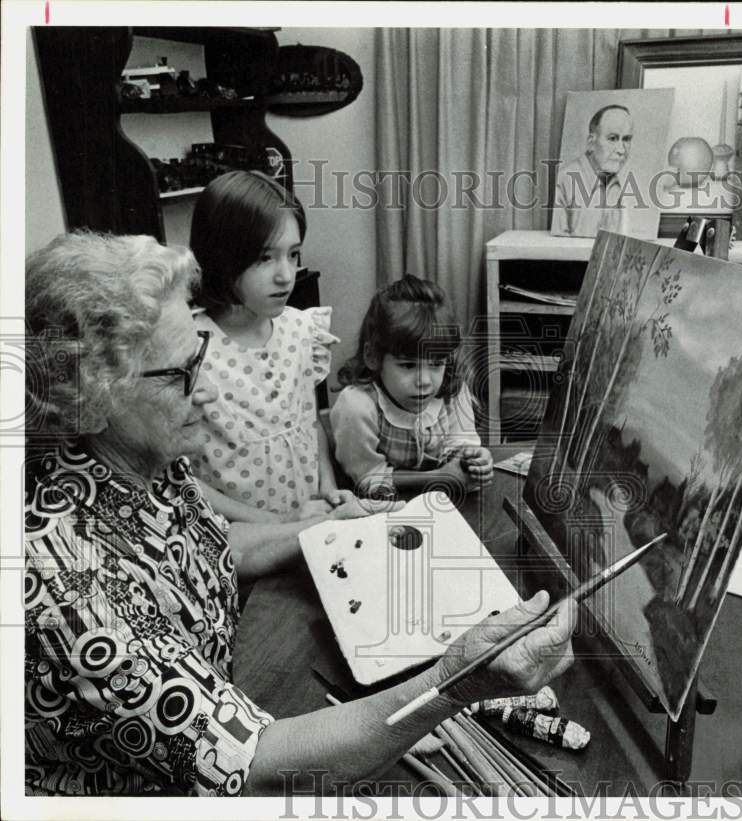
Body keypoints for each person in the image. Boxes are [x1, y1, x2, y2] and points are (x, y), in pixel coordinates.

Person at [23, 231, 577, 796]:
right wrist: (455, 681)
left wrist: (327, 523)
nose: (209, 393)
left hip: (224, 698)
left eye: (201, 359)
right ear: (90, 395)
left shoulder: (143, 459)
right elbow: (256, 764)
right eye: (181, 375)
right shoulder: (66, 585)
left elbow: (213, 545)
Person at [187, 170, 348, 523]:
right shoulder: (189, 348)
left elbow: (309, 426)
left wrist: (328, 488)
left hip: (312, 524)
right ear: (220, 257)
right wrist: (280, 526)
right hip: (243, 545)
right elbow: (184, 480)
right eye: (264, 257)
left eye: (293, 254)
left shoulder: (302, 330)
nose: (286, 275)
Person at [330, 275, 493, 498]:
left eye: (436, 364)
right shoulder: (357, 406)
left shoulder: (451, 386)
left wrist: (473, 460)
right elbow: (369, 478)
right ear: (373, 356)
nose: (425, 381)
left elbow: (461, 443)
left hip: (440, 501)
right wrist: (439, 477)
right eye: (407, 365)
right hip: (375, 506)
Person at [551, 104, 634, 237]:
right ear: (591, 142)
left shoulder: (617, 184)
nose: (621, 150)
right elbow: (558, 244)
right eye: (612, 138)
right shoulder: (566, 179)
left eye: (626, 139)